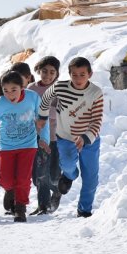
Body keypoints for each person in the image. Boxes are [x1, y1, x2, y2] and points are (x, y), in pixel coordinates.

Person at [0, 70, 50, 222]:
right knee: (5, 179)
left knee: (23, 178)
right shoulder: (0, 104)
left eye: (14, 89)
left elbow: (42, 117)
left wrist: (44, 138)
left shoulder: (32, 98)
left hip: (28, 143)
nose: (10, 94)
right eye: (6, 90)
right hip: (7, 145)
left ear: (22, 87)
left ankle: (20, 208)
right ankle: (10, 190)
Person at [36, 56, 103, 218]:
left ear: (90, 74)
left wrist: (86, 138)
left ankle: (84, 210)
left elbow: (97, 119)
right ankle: (69, 175)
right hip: (65, 136)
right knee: (67, 165)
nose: (78, 78)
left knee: (90, 177)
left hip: (89, 139)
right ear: (69, 74)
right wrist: (43, 117)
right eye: (74, 74)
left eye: (82, 74)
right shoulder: (60, 87)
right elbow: (45, 99)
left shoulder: (95, 93)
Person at [27, 56, 62, 214]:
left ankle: (57, 190)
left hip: (56, 137)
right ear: (38, 71)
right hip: (38, 138)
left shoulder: (61, 89)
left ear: (57, 73)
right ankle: (43, 205)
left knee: (54, 176)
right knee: (38, 175)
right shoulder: (31, 89)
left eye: (52, 72)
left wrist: (43, 113)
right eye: (44, 71)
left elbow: (64, 111)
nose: (48, 75)